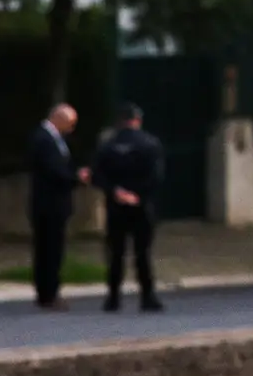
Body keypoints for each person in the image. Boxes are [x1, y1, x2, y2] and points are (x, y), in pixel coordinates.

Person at [90, 102, 166, 312]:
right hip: (142, 206)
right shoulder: (150, 144)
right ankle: (147, 296)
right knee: (143, 252)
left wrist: (116, 191)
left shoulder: (108, 146)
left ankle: (113, 297)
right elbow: (156, 177)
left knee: (116, 253)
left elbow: (96, 175)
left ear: (119, 121)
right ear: (138, 121)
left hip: (115, 206)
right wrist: (137, 194)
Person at [26, 103, 88, 311]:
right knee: (50, 249)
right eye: (70, 124)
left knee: (48, 249)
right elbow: (53, 171)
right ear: (58, 119)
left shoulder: (51, 138)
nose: (71, 129)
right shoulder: (44, 139)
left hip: (52, 204)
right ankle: (48, 293)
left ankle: (46, 292)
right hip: (49, 204)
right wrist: (76, 178)